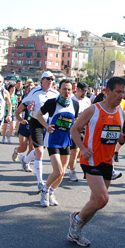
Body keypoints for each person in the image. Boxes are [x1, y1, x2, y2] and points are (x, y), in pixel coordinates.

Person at [67, 77, 125, 247]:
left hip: (108, 161)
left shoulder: (120, 112)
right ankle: (76, 219)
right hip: (90, 159)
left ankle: (75, 231)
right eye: (118, 92)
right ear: (107, 91)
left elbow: (113, 135)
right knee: (102, 199)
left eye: (123, 93)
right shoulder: (93, 110)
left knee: (96, 202)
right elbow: (74, 130)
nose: (121, 96)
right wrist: (83, 149)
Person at [34, 79, 79, 207]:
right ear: (59, 90)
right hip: (53, 140)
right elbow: (38, 115)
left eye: (69, 89)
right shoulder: (52, 103)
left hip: (66, 141)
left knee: (62, 173)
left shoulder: (75, 104)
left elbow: (74, 121)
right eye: (64, 89)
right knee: (58, 171)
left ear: (72, 90)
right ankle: (44, 190)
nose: (66, 92)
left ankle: (51, 192)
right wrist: (47, 126)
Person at [20, 71, 59, 190]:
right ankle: (40, 181)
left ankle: (25, 160)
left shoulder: (55, 94)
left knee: (40, 150)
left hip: (49, 125)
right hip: (36, 122)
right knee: (40, 152)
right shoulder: (35, 92)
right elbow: (24, 102)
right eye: (47, 79)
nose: (50, 81)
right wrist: (28, 107)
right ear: (42, 80)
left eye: (52, 79)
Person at [68, 81, 92, 181]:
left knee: (81, 152)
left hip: (85, 129)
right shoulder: (70, 100)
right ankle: (72, 172)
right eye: (82, 91)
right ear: (77, 90)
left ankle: (70, 164)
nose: (84, 94)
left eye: (86, 92)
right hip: (74, 128)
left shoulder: (87, 100)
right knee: (75, 151)